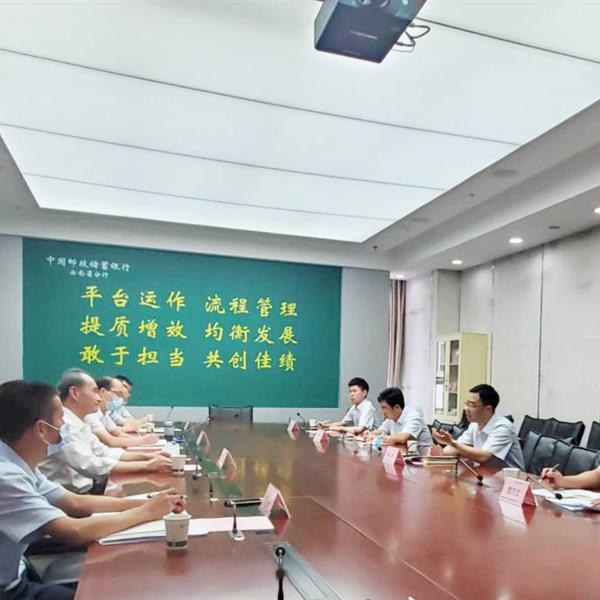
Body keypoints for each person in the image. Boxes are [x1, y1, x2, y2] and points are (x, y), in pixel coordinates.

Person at [0, 379, 185, 600]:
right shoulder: (6, 475)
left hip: (19, 572)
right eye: (60, 419)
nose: (65, 425)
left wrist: (148, 503)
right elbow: (75, 531)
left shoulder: (19, 463)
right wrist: (146, 512)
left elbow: (75, 502)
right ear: (41, 429)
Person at [39, 369, 172, 493]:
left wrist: (147, 456)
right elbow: (89, 465)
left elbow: (103, 452)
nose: (99, 398)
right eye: (94, 391)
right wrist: (146, 465)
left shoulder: (80, 421)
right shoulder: (64, 424)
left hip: (87, 487)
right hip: (72, 495)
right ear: (74, 393)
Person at [431, 384, 525, 470]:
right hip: (487, 475)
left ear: (488, 408)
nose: (466, 409)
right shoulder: (474, 425)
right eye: (466, 403)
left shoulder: (503, 427)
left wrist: (452, 442)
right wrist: (436, 457)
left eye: (471, 405)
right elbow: (457, 448)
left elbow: (484, 456)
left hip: (510, 479)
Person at [85, 377, 157, 449]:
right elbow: (110, 441)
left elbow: (117, 432)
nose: (120, 398)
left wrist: (139, 439)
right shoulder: (91, 413)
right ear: (103, 391)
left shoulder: (104, 413)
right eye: (118, 393)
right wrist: (143, 440)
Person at [365, 387, 432, 454]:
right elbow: (380, 431)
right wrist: (369, 434)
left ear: (396, 407)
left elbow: (402, 438)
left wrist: (376, 438)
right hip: (404, 453)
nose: (382, 411)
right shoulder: (391, 417)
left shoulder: (414, 416)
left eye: (384, 407)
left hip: (424, 457)